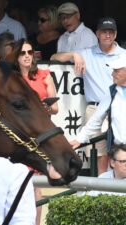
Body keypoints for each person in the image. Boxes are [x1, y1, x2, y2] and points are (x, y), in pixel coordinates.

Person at [52, 17, 126, 175]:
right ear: (97, 34)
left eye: (111, 32)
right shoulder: (86, 54)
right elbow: (54, 58)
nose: (107, 35)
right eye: (104, 32)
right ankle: (103, 191)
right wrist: (74, 54)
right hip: (96, 107)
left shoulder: (123, 55)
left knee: (120, 157)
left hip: (116, 110)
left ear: (115, 34)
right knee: (102, 157)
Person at [13, 39, 58, 225]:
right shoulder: (11, 78)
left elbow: (55, 107)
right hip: (16, 136)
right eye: (22, 53)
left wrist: (43, 107)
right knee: (13, 185)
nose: (27, 55)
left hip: (38, 136)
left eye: (30, 52)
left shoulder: (44, 75)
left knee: (34, 184)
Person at [71, 54, 126, 155]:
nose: (113, 74)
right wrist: (80, 139)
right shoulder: (112, 92)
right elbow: (96, 118)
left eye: (116, 71)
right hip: (120, 152)